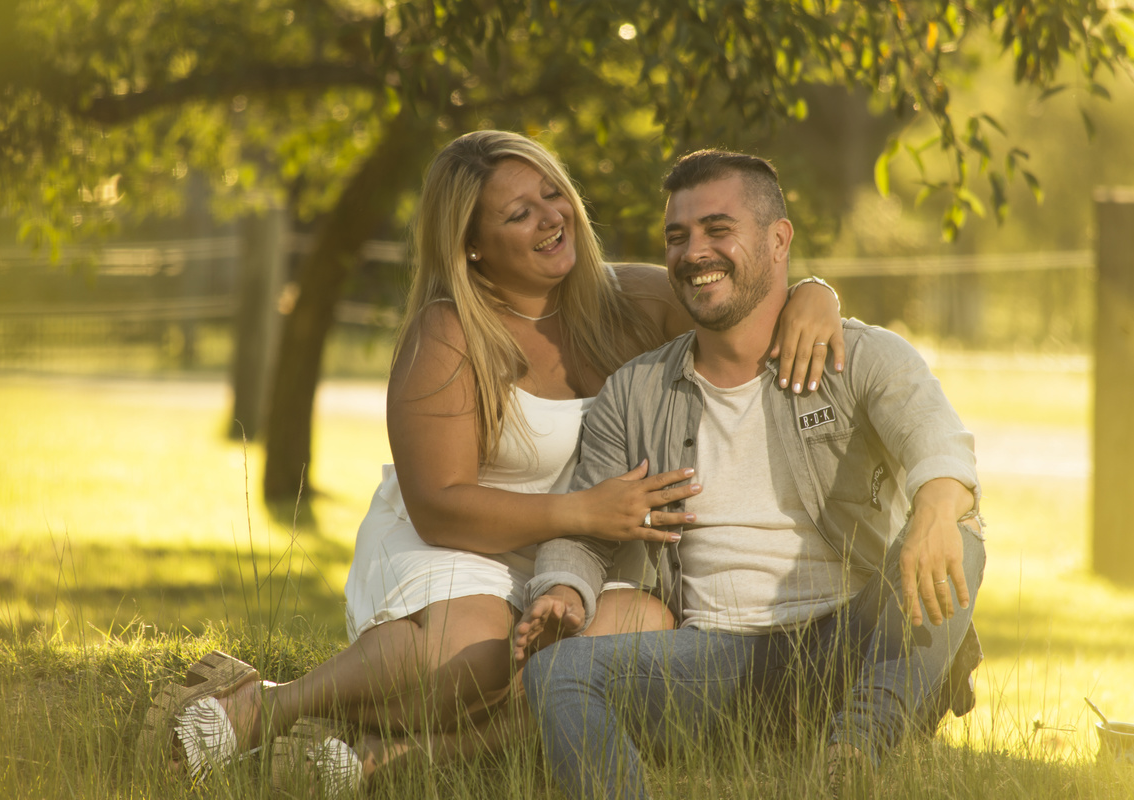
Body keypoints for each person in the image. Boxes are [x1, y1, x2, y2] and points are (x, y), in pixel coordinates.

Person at [137, 131, 844, 790]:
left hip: (588, 551)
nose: (550, 218)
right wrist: (581, 508)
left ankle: (400, 755)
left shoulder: (636, 300)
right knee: (482, 647)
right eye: (518, 214)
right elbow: (438, 502)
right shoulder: (448, 332)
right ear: (472, 246)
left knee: (640, 638)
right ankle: (267, 707)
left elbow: (744, 307)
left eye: (552, 195)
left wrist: (816, 294)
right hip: (460, 544)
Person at [515, 149, 986, 800]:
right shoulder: (636, 391)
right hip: (717, 662)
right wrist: (564, 589)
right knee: (557, 675)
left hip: (847, 645)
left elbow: (939, 442)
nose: (693, 251)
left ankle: (850, 758)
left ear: (777, 241)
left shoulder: (861, 356)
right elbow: (587, 523)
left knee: (960, 530)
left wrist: (936, 508)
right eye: (677, 237)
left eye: (717, 229)